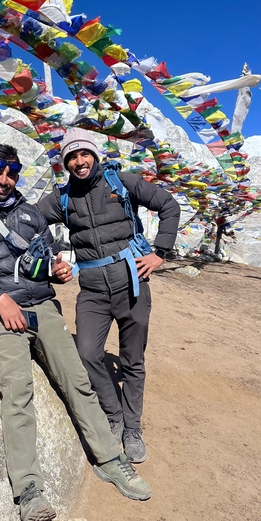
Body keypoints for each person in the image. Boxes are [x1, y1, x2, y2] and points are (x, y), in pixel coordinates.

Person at [0, 143, 152, 521]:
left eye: (11, 172)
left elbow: (48, 251)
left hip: (44, 307)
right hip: (1, 314)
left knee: (79, 382)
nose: (4, 179)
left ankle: (109, 459)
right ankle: (29, 492)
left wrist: (56, 270)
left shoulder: (28, 211)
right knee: (18, 396)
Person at [37, 128, 180, 464]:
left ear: (94, 156)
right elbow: (26, 219)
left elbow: (168, 205)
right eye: (71, 157)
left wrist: (160, 252)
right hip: (92, 291)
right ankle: (113, 413)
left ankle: (132, 428)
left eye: (83, 154)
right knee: (87, 353)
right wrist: (50, 258)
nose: (79, 161)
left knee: (132, 361)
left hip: (132, 283)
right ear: (65, 164)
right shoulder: (62, 198)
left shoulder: (122, 183)